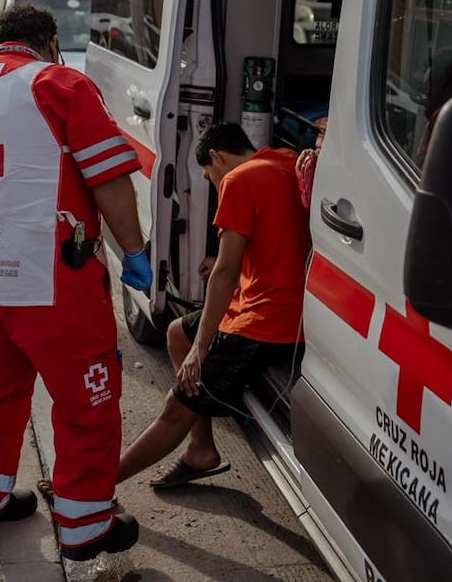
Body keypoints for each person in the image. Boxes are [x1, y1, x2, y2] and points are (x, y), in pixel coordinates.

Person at [0, 3, 152, 561]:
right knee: (87, 402)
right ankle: (87, 525)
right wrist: (134, 252)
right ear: (47, 41)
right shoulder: (59, 84)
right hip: (49, 281)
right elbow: (109, 177)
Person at [116, 122, 308, 489]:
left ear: (218, 157)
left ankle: (95, 487)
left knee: (177, 405)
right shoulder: (284, 160)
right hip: (282, 304)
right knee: (176, 332)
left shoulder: (238, 180)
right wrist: (216, 258)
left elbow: (224, 273)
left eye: (209, 175)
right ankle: (201, 448)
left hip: (269, 321)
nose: (214, 183)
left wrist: (201, 349)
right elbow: (272, 234)